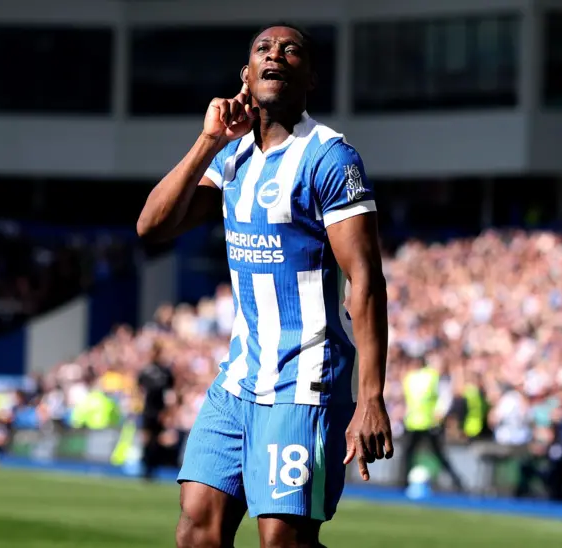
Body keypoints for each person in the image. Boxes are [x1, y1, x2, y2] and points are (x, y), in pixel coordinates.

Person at [137, 22, 393, 548]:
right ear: (246, 77)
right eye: (263, 49)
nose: (276, 54)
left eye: (291, 49)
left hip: (305, 382)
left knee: (282, 541)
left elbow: (365, 280)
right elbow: (152, 227)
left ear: (310, 78)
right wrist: (208, 139)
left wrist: (371, 397)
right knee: (196, 529)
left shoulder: (330, 158)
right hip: (238, 380)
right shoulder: (230, 157)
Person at [398, 359, 464, 491]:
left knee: (424, 454)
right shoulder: (413, 378)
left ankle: (456, 482)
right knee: (410, 454)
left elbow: (443, 396)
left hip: (426, 422)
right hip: (416, 422)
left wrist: (439, 412)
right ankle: (403, 482)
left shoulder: (427, 376)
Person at [137, 344, 175, 480]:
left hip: (160, 411)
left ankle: (153, 467)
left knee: (158, 439)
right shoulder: (146, 371)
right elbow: (139, 389)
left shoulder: (166, 372)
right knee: (147, 439)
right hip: (148, 410)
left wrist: (168, 412)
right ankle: (145, 467)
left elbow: (170, 393)